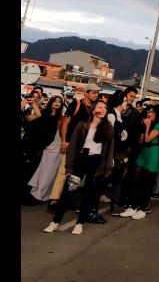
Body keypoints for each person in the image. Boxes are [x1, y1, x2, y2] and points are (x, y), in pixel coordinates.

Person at [43, 100, 114, 235]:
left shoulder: (108, 128)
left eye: (105, 107)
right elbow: (73, 146)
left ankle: (80, 223)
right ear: (93, 110)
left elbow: (110, 149)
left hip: (96, 162)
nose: (103, 109)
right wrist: (69, 167)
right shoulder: (82, 125)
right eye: (100, 107)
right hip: (81, 160)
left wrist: (107, 168)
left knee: (88, 194)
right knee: (68, 191)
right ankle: (55, 221)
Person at [49, 84, 99, 212]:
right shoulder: (76, 104)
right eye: (93, 92)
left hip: (84, 146)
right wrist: (64, 141)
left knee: (75, 174)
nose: (96, 95)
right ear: (86, 93)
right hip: (71, 143)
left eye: (97, 93)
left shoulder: (94, 108)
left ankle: (67, 199)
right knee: (63, 170)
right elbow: (65, 123)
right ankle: (54, 200)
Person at [119, 104, 159, 220]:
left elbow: (148, 139)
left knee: (147, 181)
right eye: (148, 111)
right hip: (144, 151)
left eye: (152, 112)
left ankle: (143, 208)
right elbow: (141, 140)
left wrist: (147, 126)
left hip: (153, 152)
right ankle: (133, 206)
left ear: (157, 113)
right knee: (136, 179)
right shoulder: (147, 123)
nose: (149, 114)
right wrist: (143, 127)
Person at [28, 95, 65, 202]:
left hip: (57, 145)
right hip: (48, 146)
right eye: (55, 101)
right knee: (45, 170)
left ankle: (44, 193)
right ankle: (38, 193)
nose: (57, 103)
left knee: (52, 171)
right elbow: (39, 128)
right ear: (51, 102)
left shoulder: (60, 115)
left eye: (59, 101)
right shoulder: (45, 112)